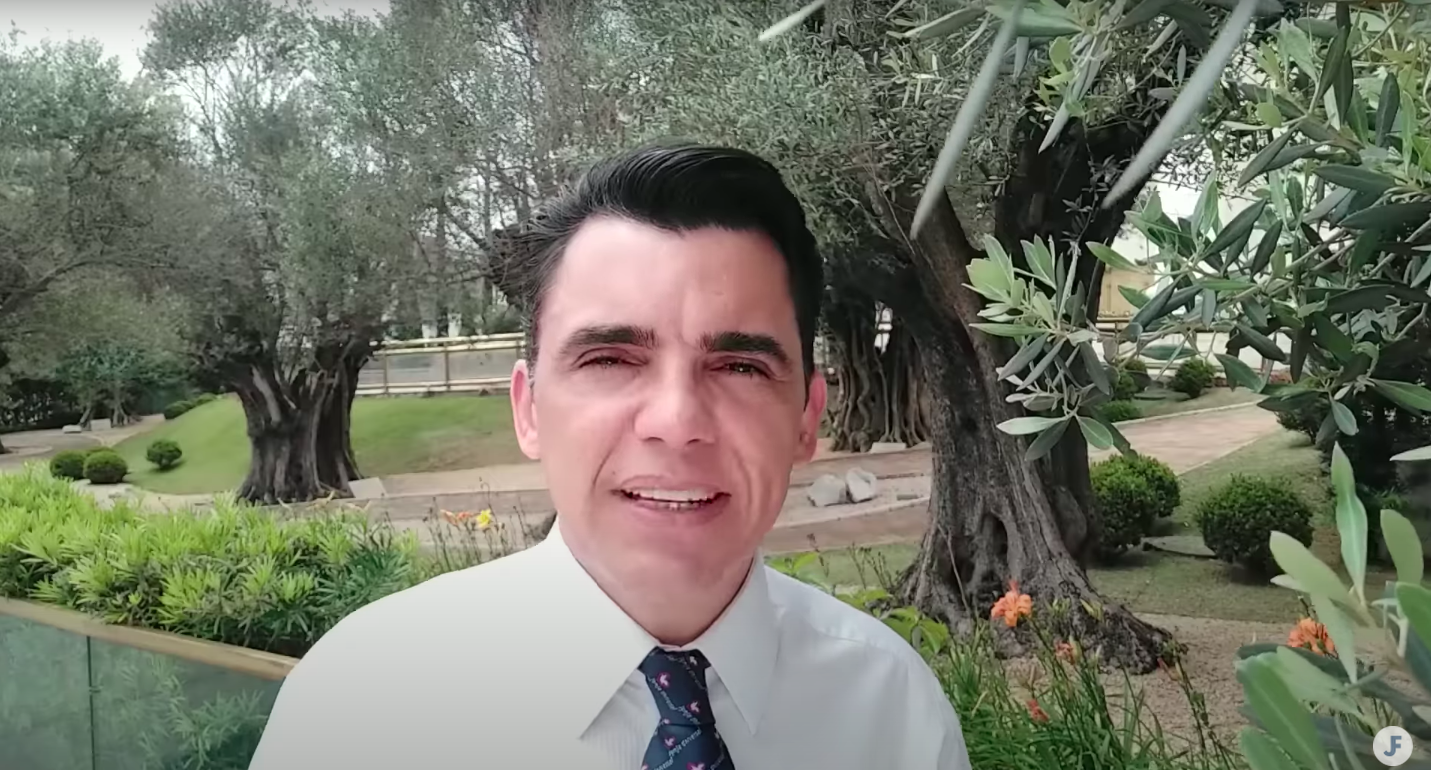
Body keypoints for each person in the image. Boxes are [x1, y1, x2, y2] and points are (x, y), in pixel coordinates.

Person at [247, 142, 971, 770]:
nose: (677, 423)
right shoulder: (361, 708)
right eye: (610, 360)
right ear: (529, 409)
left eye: (739, 367)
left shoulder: (893, 710)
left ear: (807, 419)